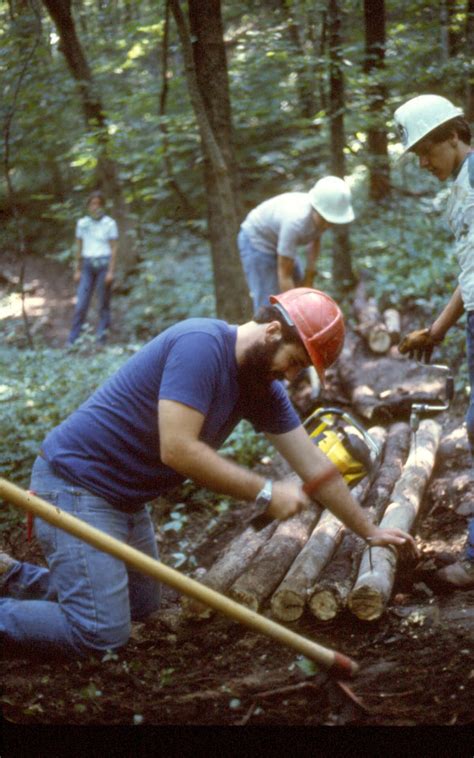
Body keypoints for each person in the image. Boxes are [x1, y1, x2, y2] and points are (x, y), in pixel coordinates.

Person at [0, 288, 417, 658]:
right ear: (272, 331)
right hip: (74, 487)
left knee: (139, 607)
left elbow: (315, 466)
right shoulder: (200, 344)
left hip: (123, 501)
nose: (291, 377)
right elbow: (178, 449)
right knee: (101, 633)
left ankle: (14, 577)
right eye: (294, 362)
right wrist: (265, 491)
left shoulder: (260, 385)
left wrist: (370, 530)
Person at [394, 94, 474, 589]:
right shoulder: (464, 186)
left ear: (452, 135)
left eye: (427, 150)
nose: (423, 163)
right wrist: (439, 328)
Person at [238, 176, 355, 312]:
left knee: (300, 290)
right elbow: (284, 274)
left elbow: (315, 239)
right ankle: (266, 329)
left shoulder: (322, 216)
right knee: (269, 302)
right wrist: (296, 312)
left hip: (280, 238)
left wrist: (309, 277)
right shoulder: (295, 222)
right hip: (257, 240)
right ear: (315, 208)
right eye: (326, 219)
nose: (328, 225)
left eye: (332, 221)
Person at [67, 190, 119, 345]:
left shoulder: (110, 223)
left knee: (103, 303)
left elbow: (114, 248)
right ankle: (73, 340)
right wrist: (77, 269)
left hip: (103, 264)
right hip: (87, 265)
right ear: (88, 206)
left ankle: (101, 339)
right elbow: (78, 246)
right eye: (92, 203)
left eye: (98, 203)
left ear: (103, 205)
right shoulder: (82, 223)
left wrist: (111, 271)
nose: (95, 207)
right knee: (81, 303)